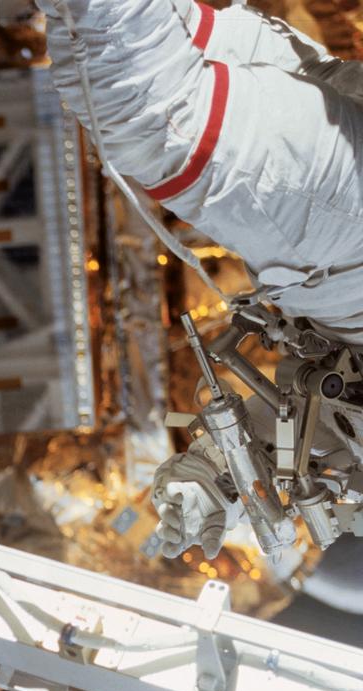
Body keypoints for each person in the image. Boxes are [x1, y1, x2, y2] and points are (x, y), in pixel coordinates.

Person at [40, 0, 363, 560]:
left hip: (337, 250)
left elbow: (328, 430)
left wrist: (216, 475)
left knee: (170, 40)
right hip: (347, 236)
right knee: (157, 120)